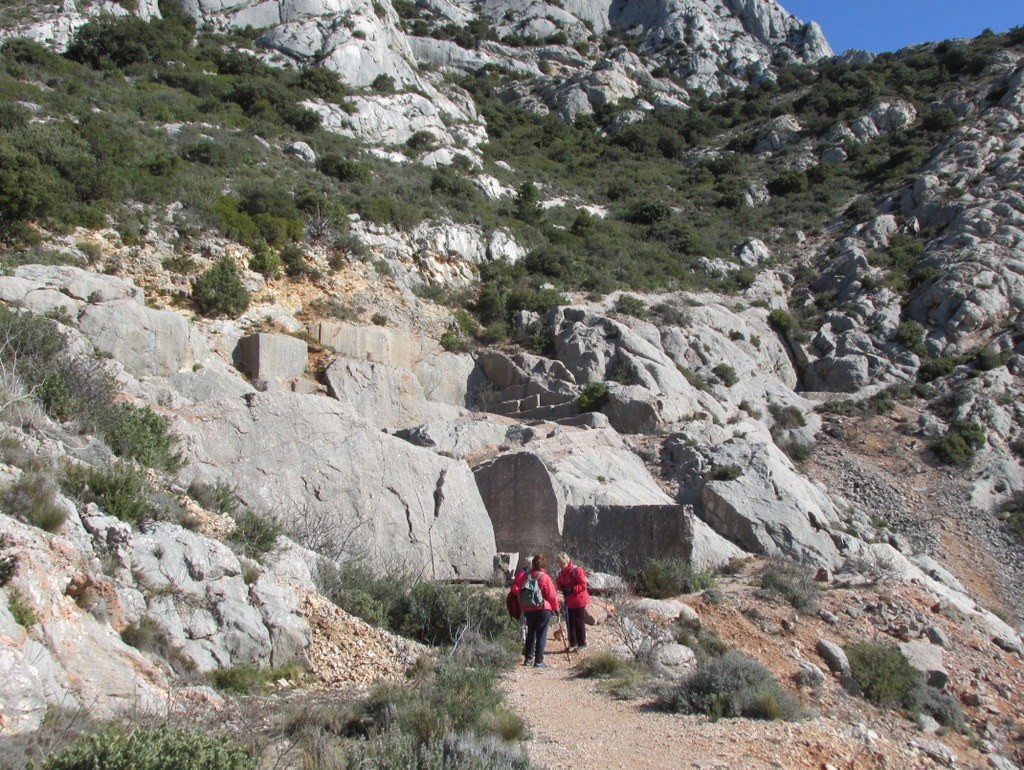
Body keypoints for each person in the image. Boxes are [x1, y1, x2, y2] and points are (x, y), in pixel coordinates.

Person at [513, 554, 559, 668]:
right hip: (543, 608)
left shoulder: (526, 576)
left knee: (530, 634)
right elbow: (552, 596)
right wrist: (555, 608)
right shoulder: (545, 577)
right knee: (541, 634)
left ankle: (528, 659)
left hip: (529, 608)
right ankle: (539, 661)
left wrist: (522, 606)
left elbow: (520, 592)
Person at [556, 552, 590, 651]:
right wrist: (562, 588)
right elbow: (559, 584)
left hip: (579, 600)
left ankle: (582, 643)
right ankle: (572, 643)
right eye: (559, 564)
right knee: (570, 622)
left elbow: (583, 584)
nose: (561, 566)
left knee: (579, 622)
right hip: (569, 601)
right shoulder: (561, 573)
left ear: (567, 561)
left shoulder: (577, 570)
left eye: (563, 563)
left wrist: (572, 589)